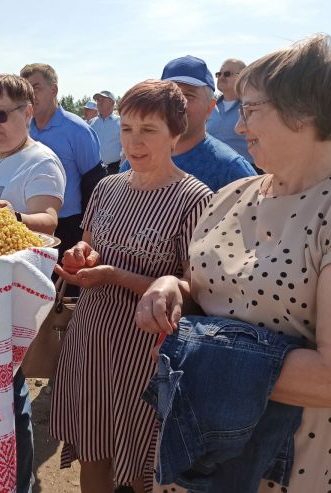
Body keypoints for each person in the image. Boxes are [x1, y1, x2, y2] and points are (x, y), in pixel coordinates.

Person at [135, 35, 331, 493]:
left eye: (251, 109)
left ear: (304, 113)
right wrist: (172, 287)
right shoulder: (228, 199)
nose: (239, 127)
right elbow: (214, 297)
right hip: (201, 449)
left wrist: (191, 356)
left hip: (291, 463)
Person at [50, 80, 212, 493]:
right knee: (94, 448)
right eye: (126, 129)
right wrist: (81, 254)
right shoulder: (108, 187)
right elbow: (89, 243)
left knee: (142, 459)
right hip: (90, 337)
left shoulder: (195, 199)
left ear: (176, 134)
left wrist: (113, 276)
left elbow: (195, 292)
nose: (134, 142)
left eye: (149, 130)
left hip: (146, 349)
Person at [0, 73, 66, 493]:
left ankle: (17, 480)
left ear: (28, 112)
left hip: (7, 296)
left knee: (8, 391)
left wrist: (17, 217)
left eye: (2, 114)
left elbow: (50, 220)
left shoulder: (40, 161)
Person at [120, 56, 256, 191]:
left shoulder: (232, 172)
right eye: (169, 95)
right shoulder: (136, 161)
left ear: (210, 107)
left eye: (188, 96)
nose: (178, 104)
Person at [20, 63, 103, 255]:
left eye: (36, 88)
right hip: (29, 223)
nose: (30, 95)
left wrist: (87, 232)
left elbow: (94, 184)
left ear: (54, 89)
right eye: (25, 89)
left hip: (69, 224)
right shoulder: (24, 128)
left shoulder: (77, 130)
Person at [207, 59, 253, 165]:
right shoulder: (209, 107)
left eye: (227, 74)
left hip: (247, 173)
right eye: (219, 74)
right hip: (212, 171)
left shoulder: (253, 107)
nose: (221, 77)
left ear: (242, 77)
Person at [90, 90, 122, 174]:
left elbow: (126, 148)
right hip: (93, 170)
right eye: (97, 100)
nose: (99, 102)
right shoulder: (90, 123)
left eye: (102, 100)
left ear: (112, 102)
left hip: (114, 170)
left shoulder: (121, 123)